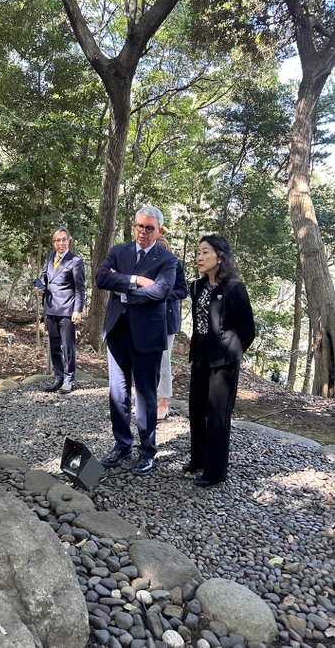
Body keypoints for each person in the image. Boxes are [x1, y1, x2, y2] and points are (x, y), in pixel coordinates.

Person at [96, 206, 177, 476]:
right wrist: (136, 280)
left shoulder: (167, 260)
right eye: (140, 226)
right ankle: (122, 444)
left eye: (149, 228)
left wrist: (125, 292)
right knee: (118, 392)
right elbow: (102, 278)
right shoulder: (120, 251)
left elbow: (162, 292)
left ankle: (147, 450)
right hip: (118, 330)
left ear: (160, 231)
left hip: (148, 335)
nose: (143, 232)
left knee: (145, 394)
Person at [186, 234, 255, 487]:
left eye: (205, 252)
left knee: (217, 415)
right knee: (195, 408)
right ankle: (198, 460)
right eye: (198, 253)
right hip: (201, 355)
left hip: (225, 359)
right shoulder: (197, 286)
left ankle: (215, 473)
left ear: (220, 256)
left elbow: (248, 330)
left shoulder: (235, 287)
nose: (199, 257)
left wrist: (232, 352)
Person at [36, 227, 85, 394]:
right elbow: (44, 275)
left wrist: (78, 310)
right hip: (50, 307)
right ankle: (58, 376)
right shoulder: (50, 257)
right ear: (53, 242)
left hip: (67, 309)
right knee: (54, 345)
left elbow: (80, 288)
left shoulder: (75, 261)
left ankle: (69, 378)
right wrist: (40, 285)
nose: (61, 243)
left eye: (64, 239)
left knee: (68, 345)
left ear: (69, 240)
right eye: (58, 240)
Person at [156, 236, 188, 420]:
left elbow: (183, 290)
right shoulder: (145, 263)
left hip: (167, 319)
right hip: (146, 320)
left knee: (164, 360)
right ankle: (148, 399)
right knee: (146, 361)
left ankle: (163, 402)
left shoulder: (175, 264)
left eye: (162, 248)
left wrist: (164, 294)